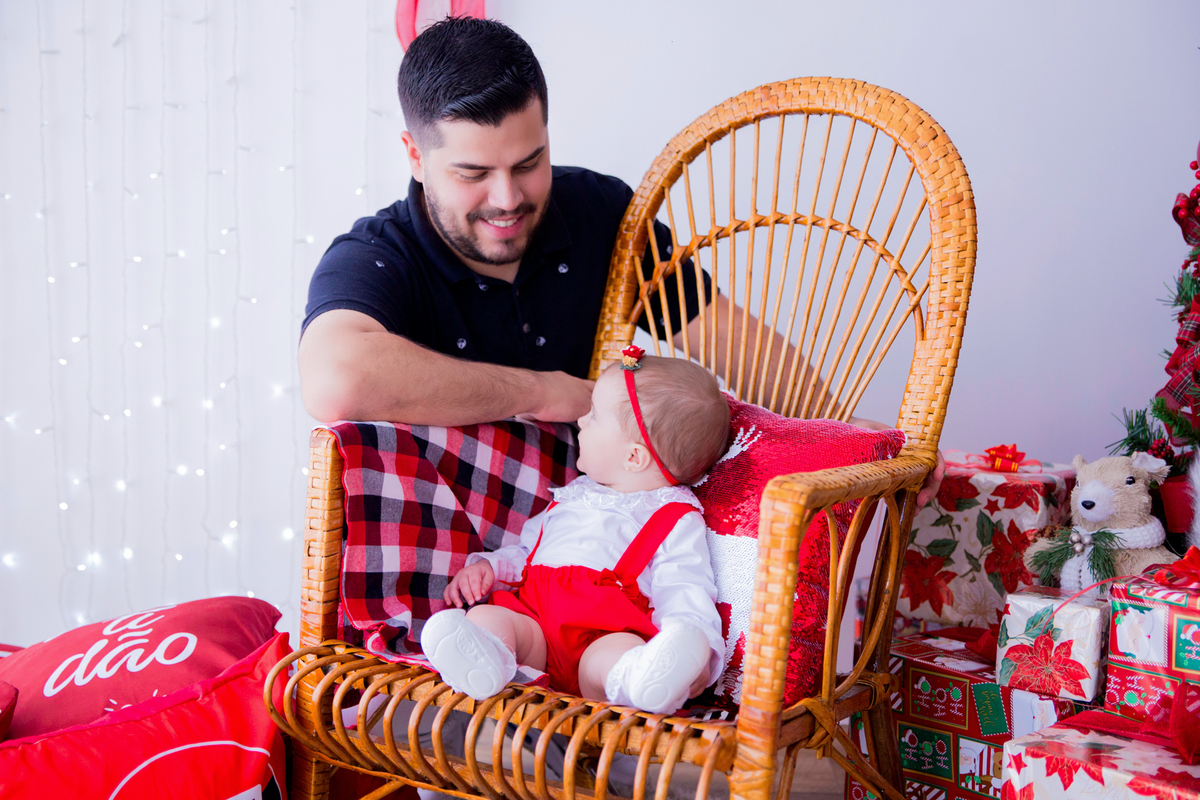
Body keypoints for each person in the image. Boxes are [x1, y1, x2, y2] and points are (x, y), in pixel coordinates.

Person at [297, 17, 945, 500]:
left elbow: (717, 329)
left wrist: (833, 429)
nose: (507, 198)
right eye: (473, 173)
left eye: (529, 162)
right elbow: (336, 377)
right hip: (452, 554)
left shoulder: (595, 211)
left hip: (598, 526)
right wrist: (543, 392)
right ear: (415, 155)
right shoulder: (379, 255)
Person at [421, 350, 731, 714]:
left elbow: (684, 587)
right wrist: (490, 567)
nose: (581, 421)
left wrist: (695, 650)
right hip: (535, 628)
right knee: (488, 618)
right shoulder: (575, 495)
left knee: (614, 654)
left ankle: (641, 679)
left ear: (634, 457)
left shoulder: (674, 516)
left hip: (601, 638)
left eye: (595, 415)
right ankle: (487, 661)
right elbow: (529, 551)